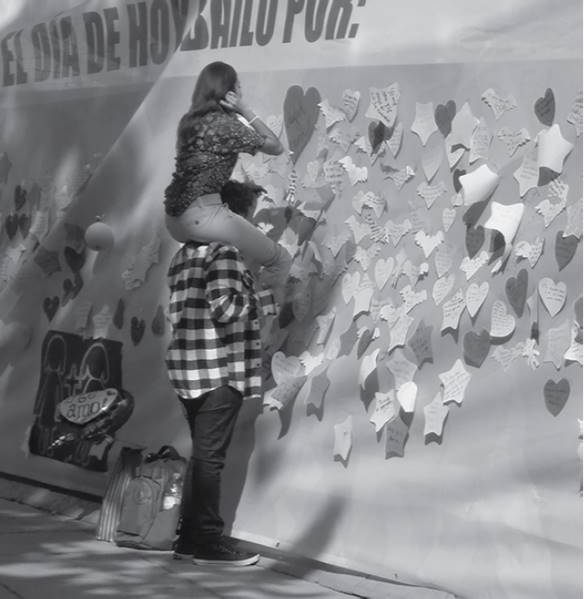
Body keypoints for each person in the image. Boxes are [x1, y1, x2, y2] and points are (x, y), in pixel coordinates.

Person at [165, 231, 279, 566]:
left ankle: (188, 541)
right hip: (217, 369)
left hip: (188, 367)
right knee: (210, 459)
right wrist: (264, 297)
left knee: (203, 457)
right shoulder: (224, 251)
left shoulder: (184, 254)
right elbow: (225, 307)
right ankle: (207, 542)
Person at [164, 61, 291, 299]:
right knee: (280, 260)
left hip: (173, 219)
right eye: (238, 87)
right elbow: (275, 146)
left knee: (237, 260)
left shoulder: (188, 123)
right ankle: (257, 311)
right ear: (229, 92)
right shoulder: (224, 126)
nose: (241, 92)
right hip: (203, 215)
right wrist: (245, 110)